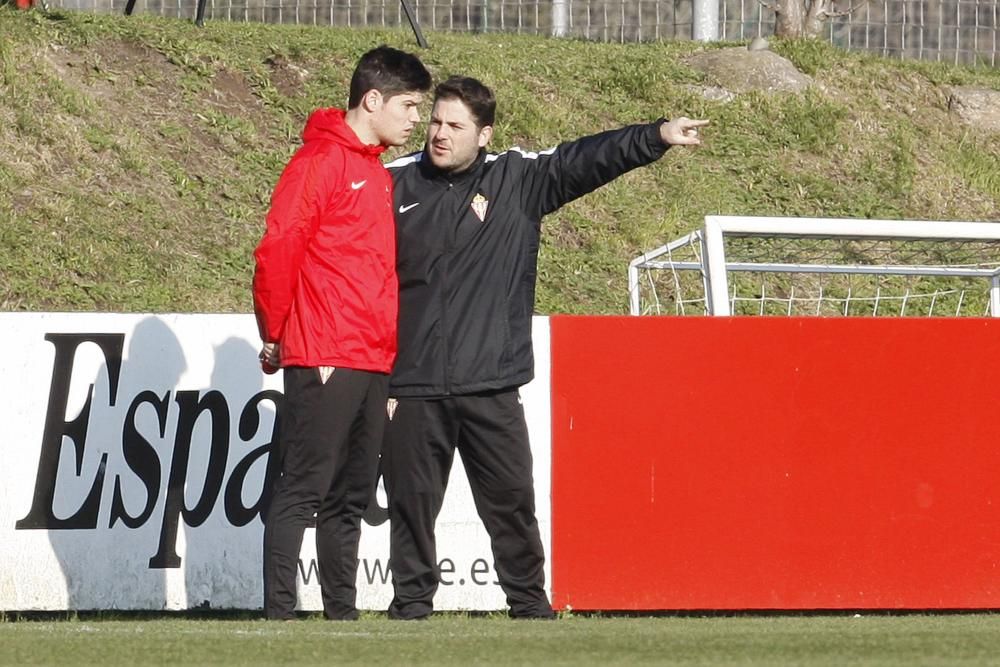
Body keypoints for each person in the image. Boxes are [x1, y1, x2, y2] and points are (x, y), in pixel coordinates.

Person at [383, 76, 708, 620]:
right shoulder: (392, 183)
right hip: (412, 382)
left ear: (483, 134)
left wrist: (655, 136)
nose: (439, 134)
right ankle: (410, 609)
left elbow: (584, 159)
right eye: (436, 121)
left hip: (491, 382)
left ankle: (530, 608)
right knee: (411, 509)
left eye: (454, 126)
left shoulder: (519, 179)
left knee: (511, 505)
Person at [251, 45, 431, 621]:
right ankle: (279, 615)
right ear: (372, 100)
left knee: (351, 496)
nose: (415, 119)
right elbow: (279, 249)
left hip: (372, 357)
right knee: (302, 487)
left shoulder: (374, 169)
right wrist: (277, 331)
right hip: (325, 350)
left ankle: (341, 616)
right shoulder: (319, 162)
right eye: (407, 105)